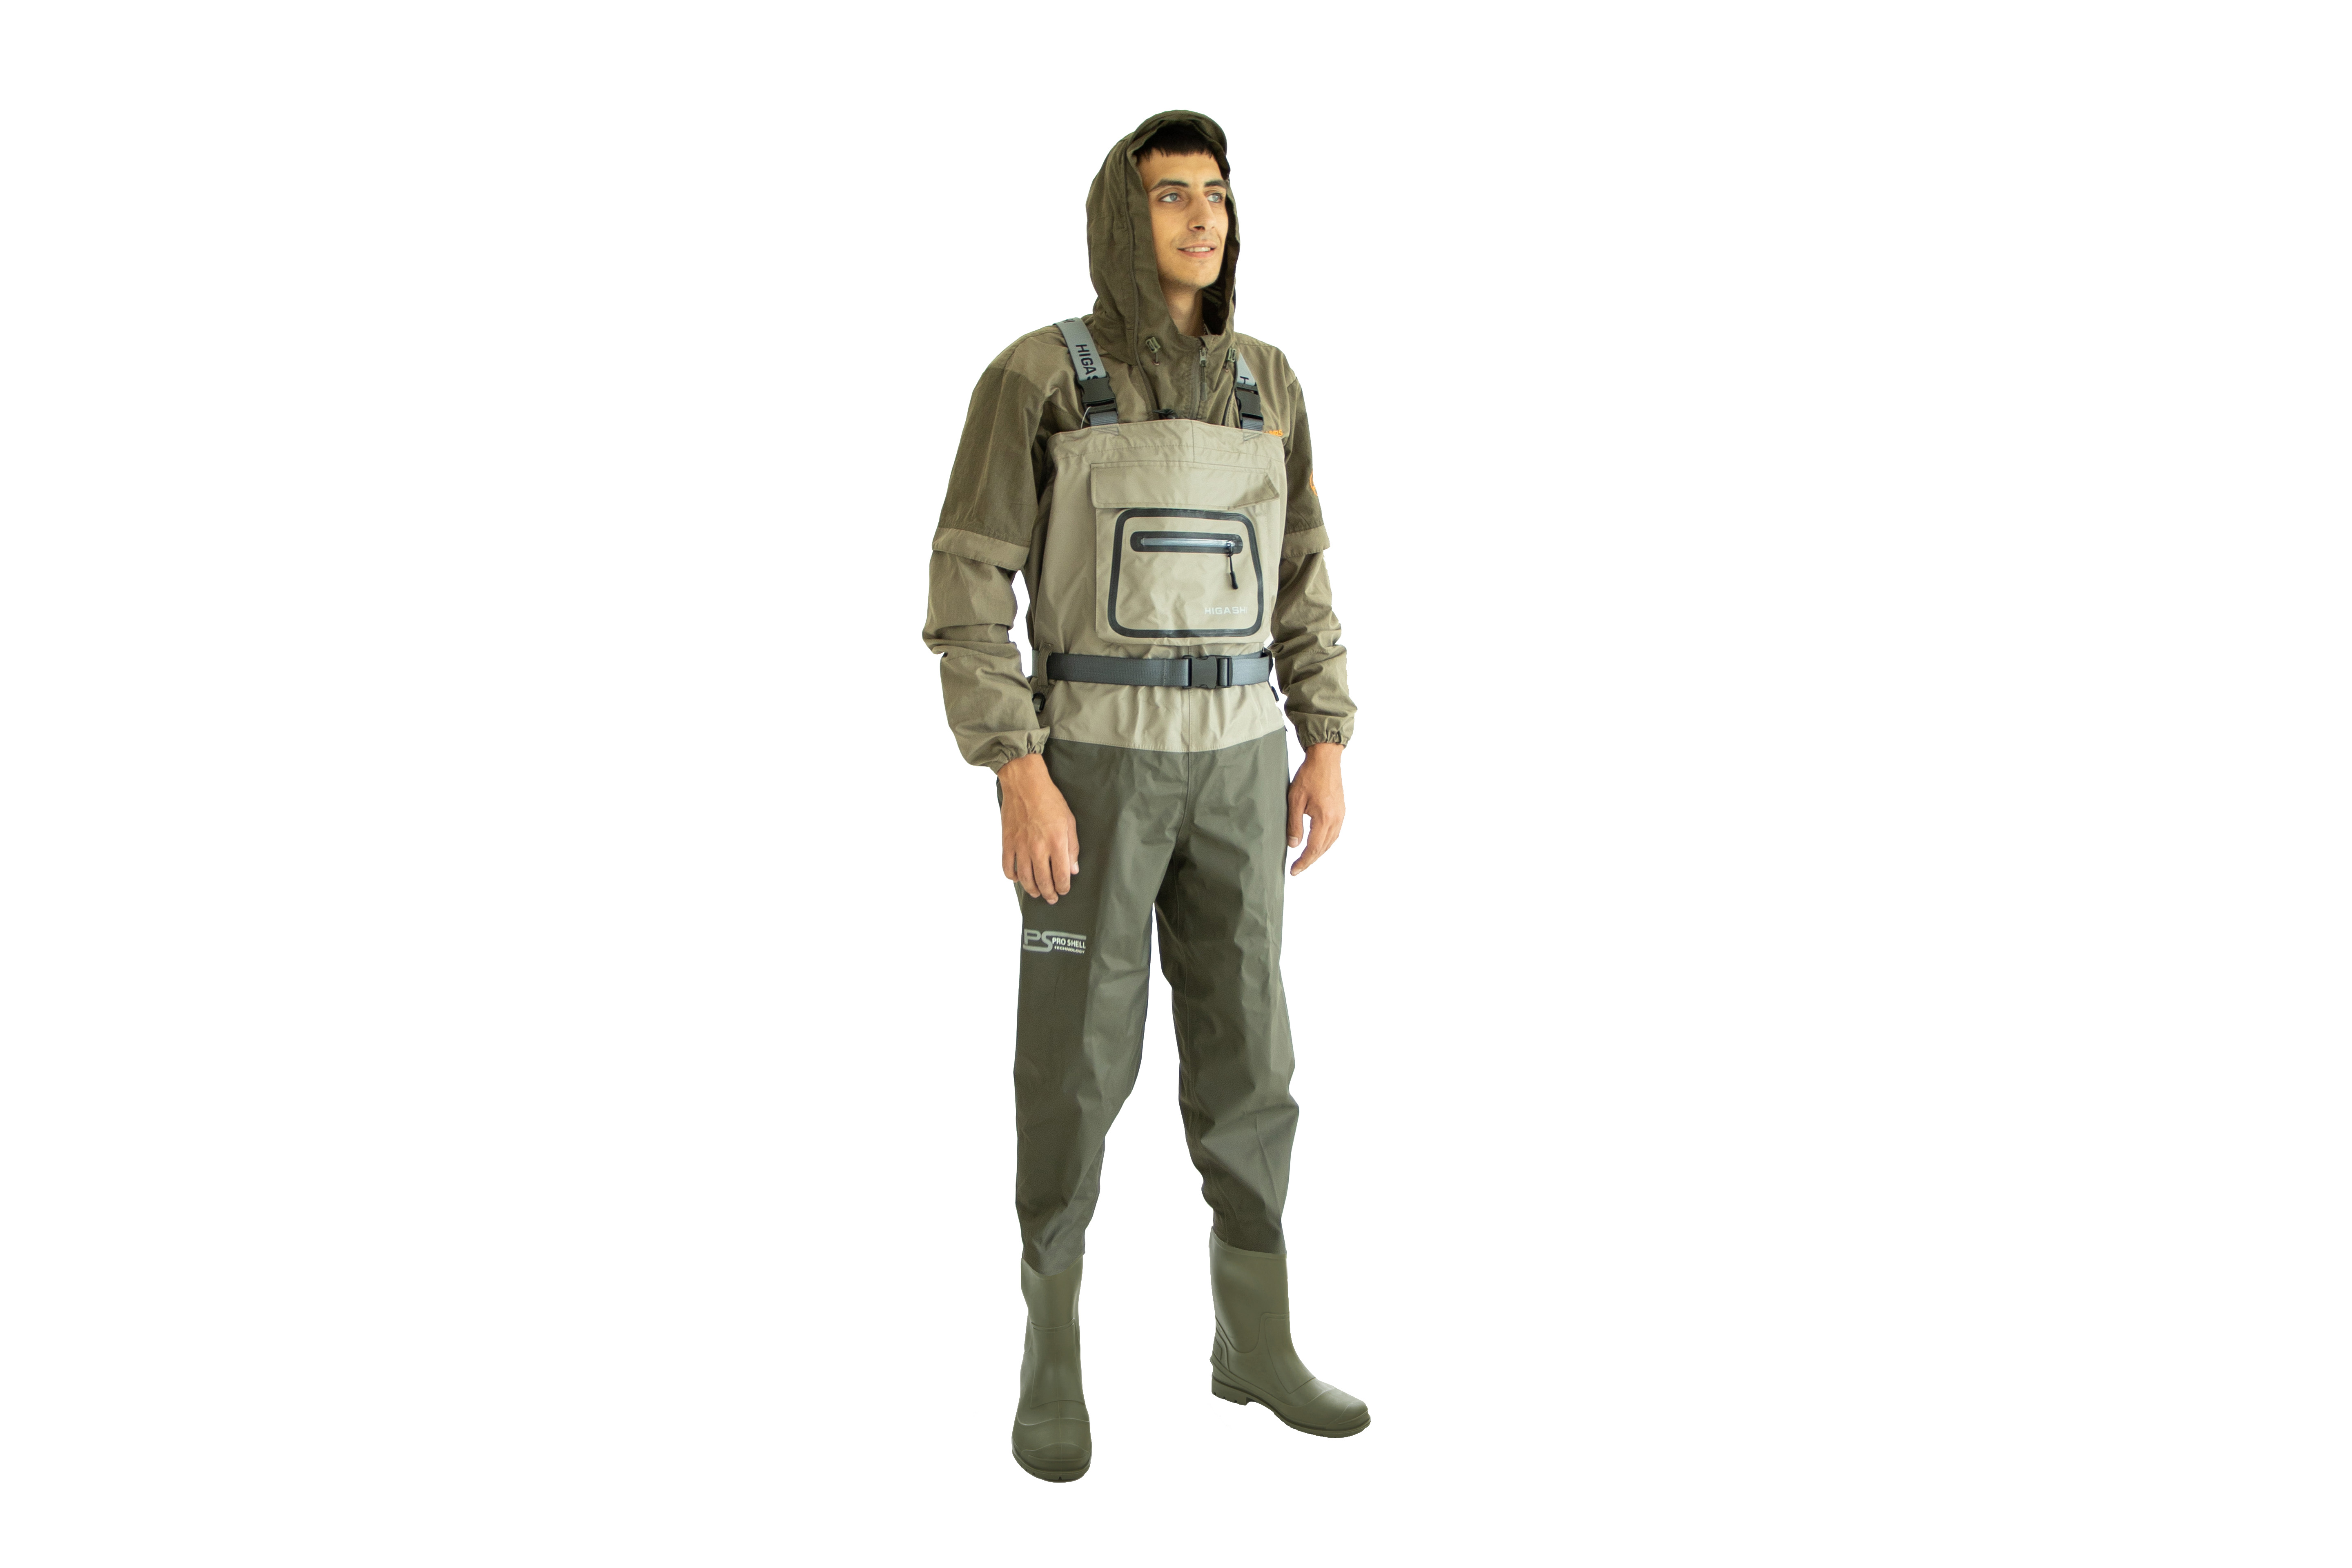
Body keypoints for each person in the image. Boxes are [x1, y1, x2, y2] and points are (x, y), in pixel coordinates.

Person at [922, 109, 1366, 1483]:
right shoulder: (1036, 377)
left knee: (1252, 1059)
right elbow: (967, 589)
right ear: (1125, 217)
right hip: (1094, 773)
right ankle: (1050, 1353)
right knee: (1073, 1065)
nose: (1202, 216)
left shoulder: (1269, 382)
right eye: (1173, 195)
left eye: (1217, 193)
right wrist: (1017, 768)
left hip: (1238, 766)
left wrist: (1325, 735)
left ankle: (1255, 1344)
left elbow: (1302, 569)